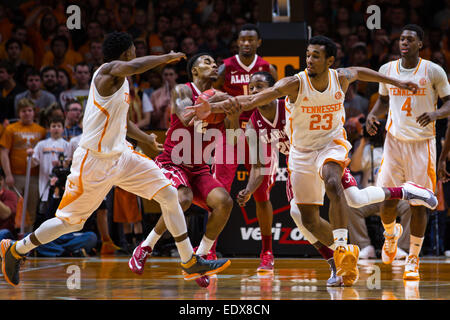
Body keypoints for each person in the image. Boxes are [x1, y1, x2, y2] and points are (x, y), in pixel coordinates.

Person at [189, 35, 435, 286]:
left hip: (331, 145)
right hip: (301, 154)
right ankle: (402, 193)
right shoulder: (294, 84)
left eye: (316, 56)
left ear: (329, 60)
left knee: (332, 180)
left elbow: (361, 72)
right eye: (308, 55)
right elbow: (251, 102)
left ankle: (341, 250)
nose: (310, 60)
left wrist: (396, 82)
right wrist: (214, 108)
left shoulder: (339, 78)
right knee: (307, 217)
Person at [0, 31, 231, 287]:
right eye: (134, 50)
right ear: (127, 53)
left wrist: (144, 138)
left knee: (169, 194)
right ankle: (17, 250)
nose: (135, 54)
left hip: (121, 155)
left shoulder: (121, 82)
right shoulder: (107, 72)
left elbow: (123, 121)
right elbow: (133, 66)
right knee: (70, 223)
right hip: (94, 161)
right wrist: (165, 57)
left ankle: (189, 261)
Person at [129, 53, 236, 288]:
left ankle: (201, 256)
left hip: (198, 168)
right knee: (183, 199)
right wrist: (218, 102)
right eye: (207, 62)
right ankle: (145, 246)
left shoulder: (221, 99)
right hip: (172, 162)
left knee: (224, 202)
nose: (213, 64)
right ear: (194, 71)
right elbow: (187, 117)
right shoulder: (182, 90)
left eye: (214, 61)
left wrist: (232, 111)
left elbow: (232, 130)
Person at [366, 24, 450, 281]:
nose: (404, 42)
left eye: (410, 39)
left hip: (422, 145)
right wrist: (371, 115)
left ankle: (412, 258)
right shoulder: (387, 70)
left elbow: (448, 102)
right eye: (401, 38)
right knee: (387, 201)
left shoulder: (433, 71)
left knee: (419, 204)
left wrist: (436, 113)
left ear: (420, 45)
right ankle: (390, 236)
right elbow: (382, 99)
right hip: (393, 142)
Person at [212, 23, 278, 272]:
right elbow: (212, 94)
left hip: (260, 132)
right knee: (218, 193)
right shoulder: (225, 67)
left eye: (251, 40)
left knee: (261, 195)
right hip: (231, 132)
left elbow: (277, 97)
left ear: (259, 42)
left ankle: (267, 252)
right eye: (243, 40)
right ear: (237, 43)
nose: (247, 43)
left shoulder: (266, 68)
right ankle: (209, 249)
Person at [0, 98, 46, 231]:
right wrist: (8, 175)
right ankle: (10, 239)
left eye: (29, 110)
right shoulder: (10, 129)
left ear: (34, 112)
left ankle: (27, 241)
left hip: (34, 177)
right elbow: (3, 153)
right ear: (19, 113)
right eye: (23, 111)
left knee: (30, 210)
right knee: (13, 209)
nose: (27, 113)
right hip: (15, 176)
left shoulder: (41, 131)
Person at [26, 117, 69, 224]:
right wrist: (30, 155)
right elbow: (33, 162)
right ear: (49, 129)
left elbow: (69, 164)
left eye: (59, 126)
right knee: (44, 213)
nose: (56, 129)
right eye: (53, 126)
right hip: (44, 183)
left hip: (61, 185)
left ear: (63, 129)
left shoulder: (66, 145)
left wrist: (62, 164)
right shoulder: (42, 144)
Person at [0, 168, 18, 241]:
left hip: (5, 233)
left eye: (0, 179)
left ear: (3, 181)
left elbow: (5, 214)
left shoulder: (10, 195)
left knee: (3, 233)